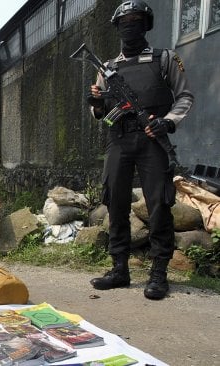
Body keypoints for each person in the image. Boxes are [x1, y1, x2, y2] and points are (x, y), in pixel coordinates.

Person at [87, 1, 194, 300]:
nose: (129, 26)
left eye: (135, 21)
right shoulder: (107, 68)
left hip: (152, 141)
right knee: (115, 203)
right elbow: (100, 112)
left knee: (159, 204)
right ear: (117, 27)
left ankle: (159, 272)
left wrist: (167, 122)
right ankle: (119, 269)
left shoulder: (165, 59)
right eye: (124, 22)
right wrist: (95, 103)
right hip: (118, 141)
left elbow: (184, 95)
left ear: (146, 25)